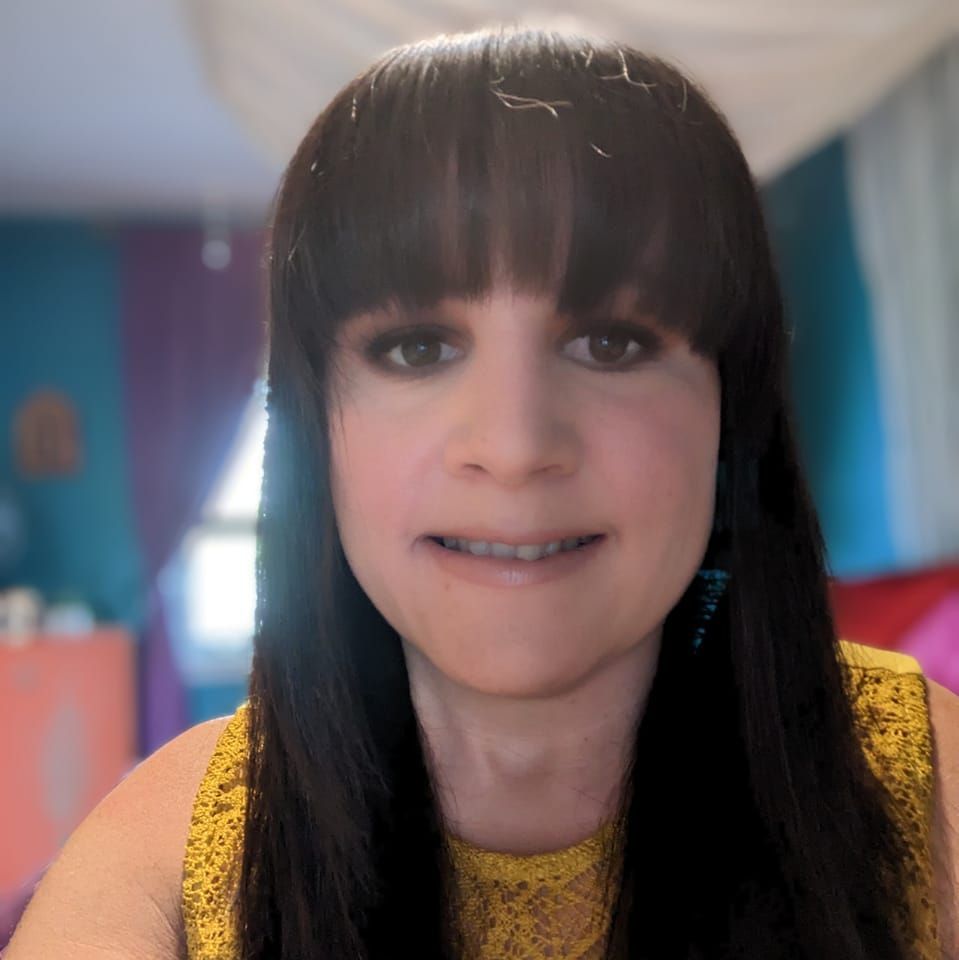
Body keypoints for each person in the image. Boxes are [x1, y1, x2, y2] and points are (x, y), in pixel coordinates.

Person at [6, 25, 957, 960]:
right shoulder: (170, 852)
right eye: (416, 347)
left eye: (612, 342)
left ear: (728, 410)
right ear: (314, 425)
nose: (512, 448)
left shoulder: (924, 786)